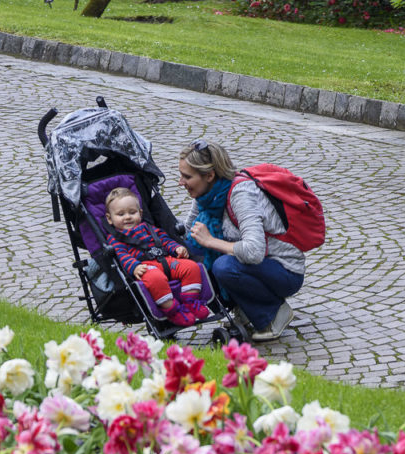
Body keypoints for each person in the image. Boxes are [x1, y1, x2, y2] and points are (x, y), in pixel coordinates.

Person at [179, 141, 304, 341]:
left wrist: (211, 241)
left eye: (187, 177)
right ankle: (246, 309)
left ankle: (275, 312)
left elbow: (254, 251)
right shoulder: (205, 195)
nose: (180, 182)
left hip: (284, 270)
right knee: (193, 260)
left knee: (224, 266)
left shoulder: (240, 194)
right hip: (257, 267)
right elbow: (186, 231)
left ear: (209, 176)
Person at [104, 187, 210, 327]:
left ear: (140, 213)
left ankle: (191, 301)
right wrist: (135, 267)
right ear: (109, 219)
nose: (127, 217)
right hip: (146, 267)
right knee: (155, 279)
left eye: (132, 212)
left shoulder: (149, 228)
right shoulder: (115, 239)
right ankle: (172, 310)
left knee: (191, 267)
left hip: (166, 260)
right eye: (121, 214)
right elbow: (122, 257)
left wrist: (176, 248)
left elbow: (165, 240)